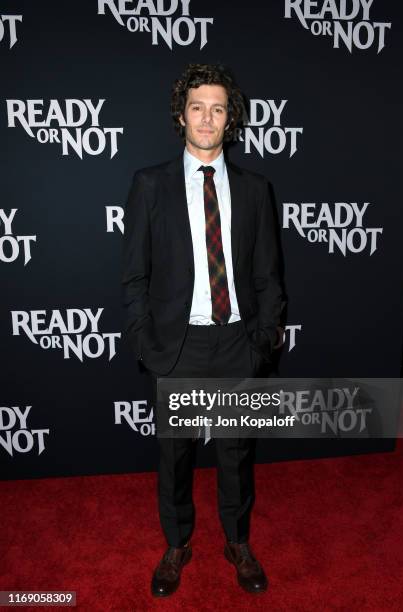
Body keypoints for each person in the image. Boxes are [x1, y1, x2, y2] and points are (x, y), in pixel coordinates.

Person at [121, 63, 284, 597]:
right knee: (176, 456)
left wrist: (263, 339)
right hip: (178, 343)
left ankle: (237, 541)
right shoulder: (150, 185)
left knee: (237, 452)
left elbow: (268, 275)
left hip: (237, 340)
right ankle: (177, 544)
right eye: (197, 107)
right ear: (181, 115)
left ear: (229, 118)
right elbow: (135, 274)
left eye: (218, 108)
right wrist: (147, 338)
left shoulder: (257, 190)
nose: (207, 117)